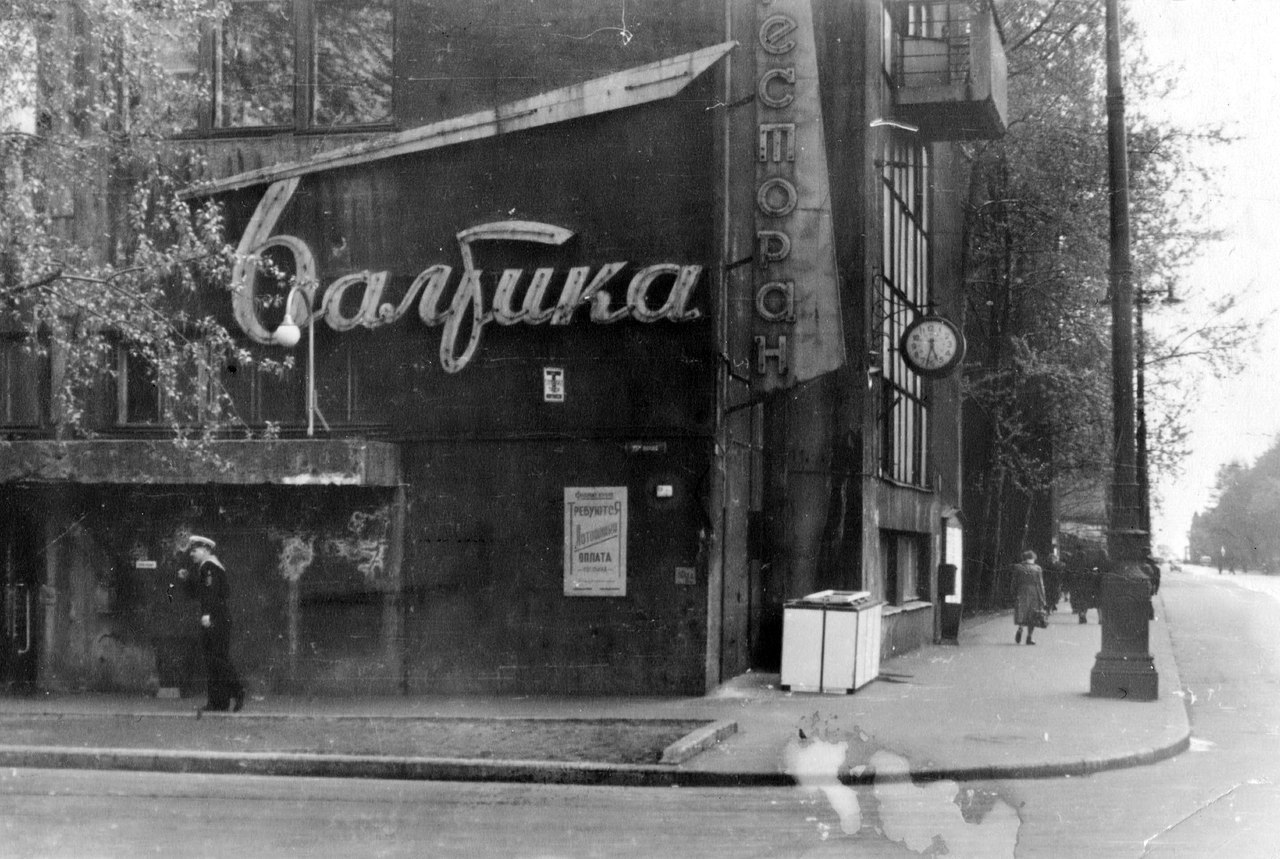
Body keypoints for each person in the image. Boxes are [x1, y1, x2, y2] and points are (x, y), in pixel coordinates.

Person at [176, 535, 246, 714]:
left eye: (195, 550)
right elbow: (200, 592)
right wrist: (187, 580)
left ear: (206, 550)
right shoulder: (206, 567)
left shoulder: (209, 567)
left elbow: (211, 593)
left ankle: (237, 692)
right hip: (217, 617)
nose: (192, 554)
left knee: (218, 659)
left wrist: (208, 614)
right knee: (213, 661)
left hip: (215, 618)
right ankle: (218, 702)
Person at [1012, 550, 1046, 646]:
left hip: (1022, 591)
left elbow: (1014, 582)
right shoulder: (1037, 568)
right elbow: (1041, 584)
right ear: (1034, 558)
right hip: (1034, 593)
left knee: (1022, 612)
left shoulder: (1018, 568)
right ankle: (1029, 637)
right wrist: (1043, 598)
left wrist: (1014, 593)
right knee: (1033, 615)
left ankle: (1020, 628)